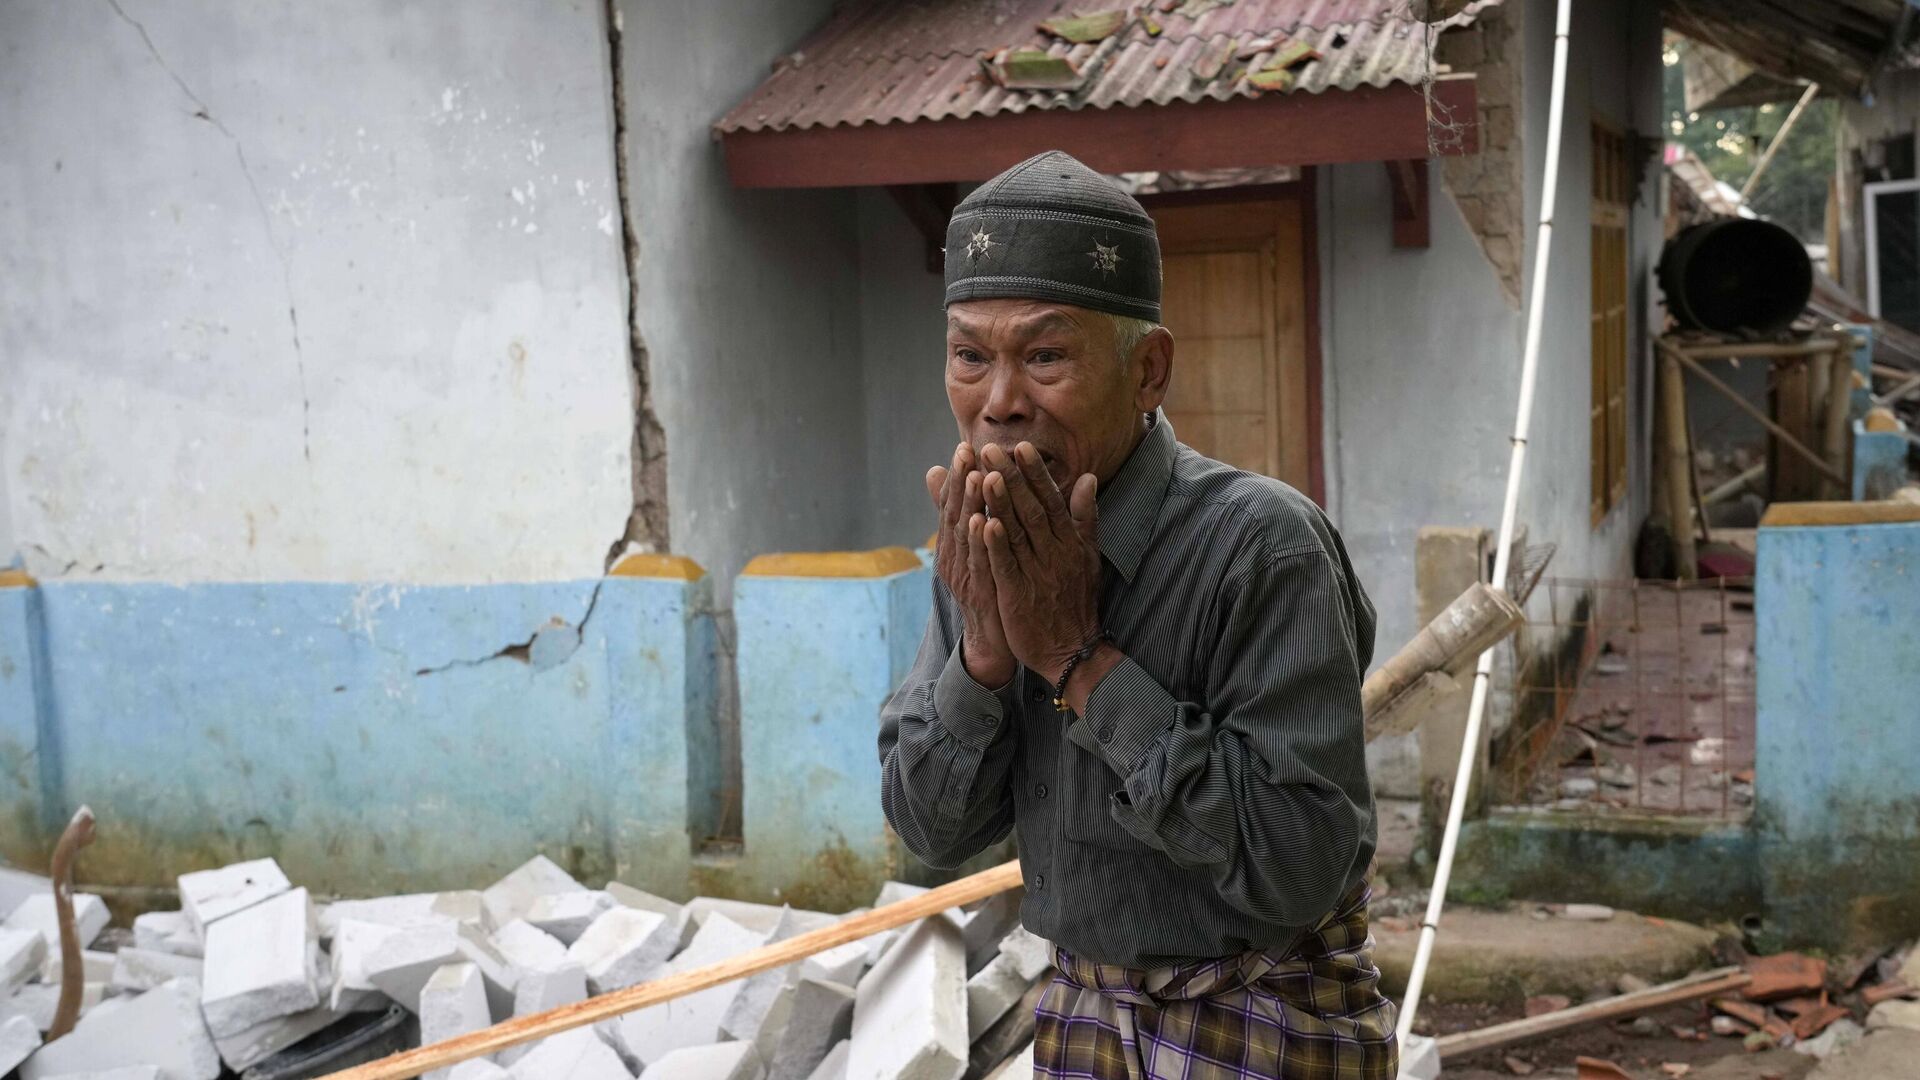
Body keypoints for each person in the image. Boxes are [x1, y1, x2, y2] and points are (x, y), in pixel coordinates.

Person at [878, 150, 1397, 1080]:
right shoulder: (984, 543)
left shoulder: (1263, 546)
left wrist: (1081, 660)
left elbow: (1297, 864)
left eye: (1045, 356)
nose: (998, 405)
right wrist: (988, 656)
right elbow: (932, 834)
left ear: (1148, 370)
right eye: (969, 356)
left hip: (1266, 1021)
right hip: (1082, 1019)